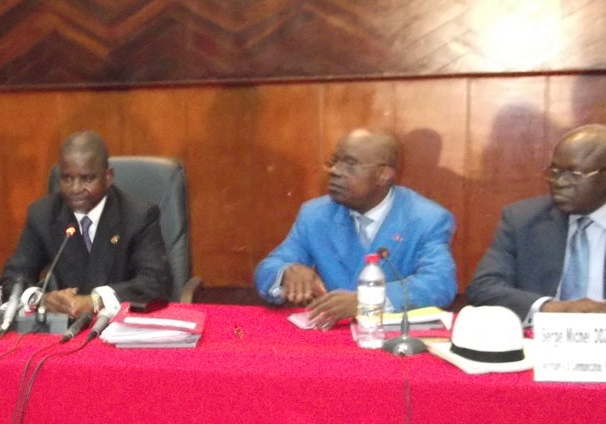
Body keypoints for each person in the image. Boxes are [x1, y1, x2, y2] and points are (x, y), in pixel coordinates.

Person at [254, 127, 457, 328]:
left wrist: (368, 301)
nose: (335, 171)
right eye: (334, 162)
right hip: (329, 335)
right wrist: (286, 272)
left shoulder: (426, 218)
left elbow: (439, 284)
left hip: (389, 340)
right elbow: (269, 268)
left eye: (350, 164)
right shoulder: (315, 214)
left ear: (384, 174)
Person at [0, 130, 170, 318]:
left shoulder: (138, 217)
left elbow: (154, 282)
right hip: (63, 325)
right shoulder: (43, 214)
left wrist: (95, 301)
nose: (75, 189)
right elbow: (14, 277)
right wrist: (39, 299)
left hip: (119, 324)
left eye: (87, 179)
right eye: (67, 178)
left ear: (108, 177)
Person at [467, 123, 606, 320]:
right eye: (555, 172)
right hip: (540, 335)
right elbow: (483, 288)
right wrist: (550, 308)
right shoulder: (522, 219)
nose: (559, 182)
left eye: (573, 174)